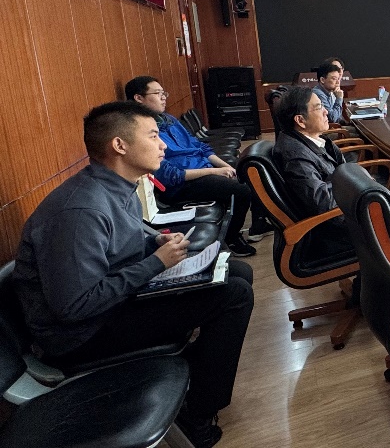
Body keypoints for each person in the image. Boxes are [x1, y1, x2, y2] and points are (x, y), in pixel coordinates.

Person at [13, 101, 253, 448]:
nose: (163, 145)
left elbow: (118, 249)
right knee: (233, 296)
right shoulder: (80, 210)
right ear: (119, 145)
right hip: (81, 336)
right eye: (153, 136)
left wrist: (154, 243)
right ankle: (198, 412)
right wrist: (156, 263)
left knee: (236, 271)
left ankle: (197, 377)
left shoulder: (118, 186)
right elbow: (74, 307)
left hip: (112, 306)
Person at [272, 87, 390, 265]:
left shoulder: (305, 141)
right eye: (319, 107)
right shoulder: (296, 156)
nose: (326, 112)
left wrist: (359, 180)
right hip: (347, 226)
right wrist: (359, 183)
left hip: (356, 210)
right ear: (300, 120)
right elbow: (322, 202)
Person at [125, 76, 257, 257]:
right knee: (241, 190)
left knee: (249, 171)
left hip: (204, 168)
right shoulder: (140, 131)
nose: (163, 97)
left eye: (164, 93)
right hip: (183, 184)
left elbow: (200, 146)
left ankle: (258, 225)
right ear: (139, 98)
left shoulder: (168, 119)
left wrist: (225, 166)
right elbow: (170, 175)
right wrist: (215, 171)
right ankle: (232, 238)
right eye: (157, 93)